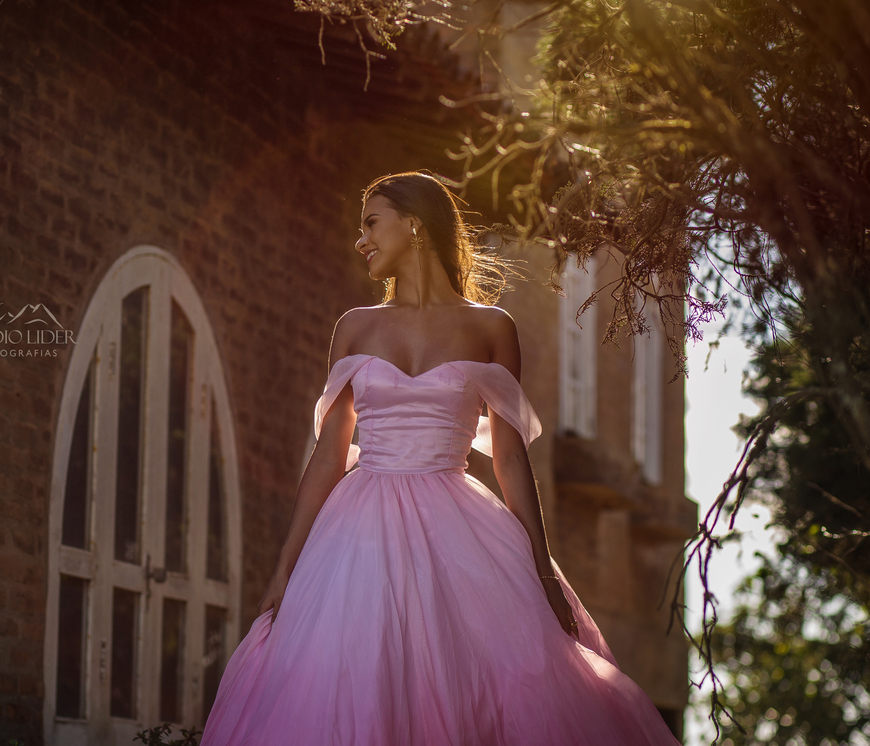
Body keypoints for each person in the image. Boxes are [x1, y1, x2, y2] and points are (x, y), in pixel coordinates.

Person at [199, 171, 682, 745]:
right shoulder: (354, 328)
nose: (362, 241)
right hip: (357, 534)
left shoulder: (491, 327)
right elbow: (328, 456)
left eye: (371, 224)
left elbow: (510, 460)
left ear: (416, 225)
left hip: (461, 529)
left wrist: (542, 570)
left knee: (482, 689)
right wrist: (286, 565)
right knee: (356, 682)